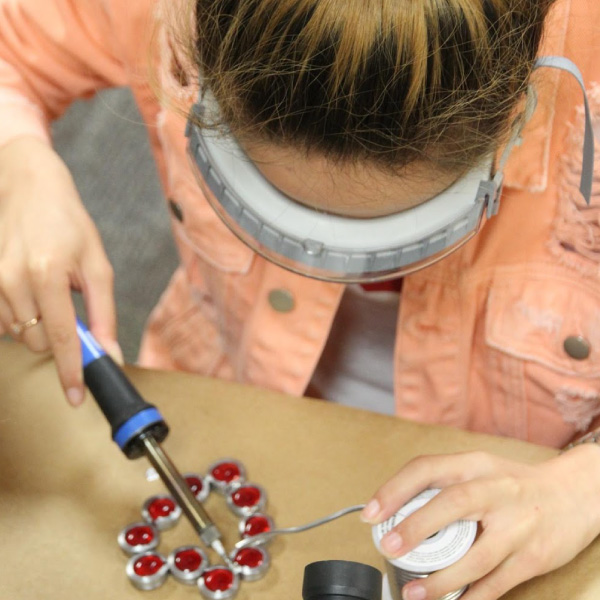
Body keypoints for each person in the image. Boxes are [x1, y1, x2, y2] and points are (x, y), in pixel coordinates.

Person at [0, 1, 598, 598]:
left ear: (519, 109)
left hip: (534, 476)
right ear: (187, 55)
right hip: (218, 396)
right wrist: (17, 164)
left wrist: (583, 483)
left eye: (385, 235)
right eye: (287, 216)